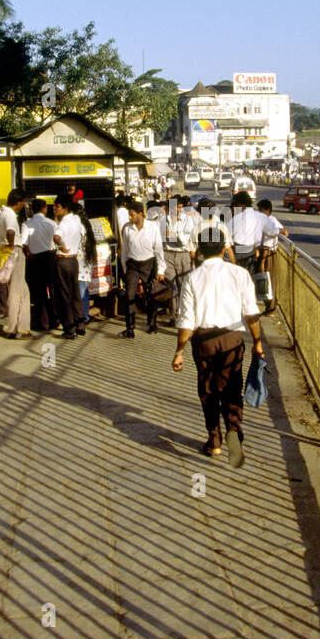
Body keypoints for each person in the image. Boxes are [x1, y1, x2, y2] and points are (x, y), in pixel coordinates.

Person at [171, 222, 264, 467]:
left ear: (200, 250)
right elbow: (251, 314)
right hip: (232, 340)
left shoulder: (192, 278)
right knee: (232, 388)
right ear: (224, 248)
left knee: (208, 389)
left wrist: (179, 351)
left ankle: (214, 442)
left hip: (203, 341)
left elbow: (186, 320)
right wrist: (258, 342)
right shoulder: (239, 274)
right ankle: (234, 431)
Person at [118, 199, 166, 338]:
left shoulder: (152, 227)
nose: (130, 217)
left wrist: (160, 270)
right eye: (129, 214)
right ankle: (130, 328)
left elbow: (158, 250)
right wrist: (124, 269)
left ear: (140, 214)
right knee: (129, 296)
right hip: (132, 265)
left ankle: (151, 324)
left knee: (151, 296)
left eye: (132, 214)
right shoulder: (127, 228)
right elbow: (125, 250)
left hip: (148, 265)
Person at [0, 189, 28, 336]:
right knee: (16, 290)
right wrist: (12, 245)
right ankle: (15, 327)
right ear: (19, 202)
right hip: (14, 252)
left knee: (22, 290)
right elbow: (11, 231)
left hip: (2, 251)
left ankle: (22, 324)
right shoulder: (10, 215)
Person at [51, 194, 85, 339]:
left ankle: (69, 328)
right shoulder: (75, 219)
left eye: (57, 206)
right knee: (75, 293)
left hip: (63, 260)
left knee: (64, 295)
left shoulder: (64, 223)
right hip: (73, 261)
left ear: (64, 208)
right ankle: (80, 324)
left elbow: (56, 236)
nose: (54, 209)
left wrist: (61, 245)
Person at [162, 195, 199, 326]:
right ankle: (174, 316)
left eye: (180, 207)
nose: (179, 210)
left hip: (183, 255)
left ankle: (187, 315)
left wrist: (173, 235)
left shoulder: (187, 219)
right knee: (172, 286)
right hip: (167, 255)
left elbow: (185, 239)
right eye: (176, 207)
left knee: (184, 286)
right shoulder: (163, 220)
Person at [23, 198, 58, 332]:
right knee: (53, 289)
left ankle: (41, 322)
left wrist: (29, 254)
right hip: (50, 256)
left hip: (35, 259)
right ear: (45, 208)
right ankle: (55, 319)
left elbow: (24, 243)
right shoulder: (51, 223)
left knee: (38, 292)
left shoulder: (27, 224)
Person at [257, 198, 285, 314]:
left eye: (261, 210)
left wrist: (262, 261)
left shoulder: (269, 222)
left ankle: (271, 306)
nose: (259, 212)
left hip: (267, 254)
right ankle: (270, 304)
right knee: (267, 280)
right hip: (266, 252)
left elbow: (267, 245)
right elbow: (283, 231)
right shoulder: (268, 220)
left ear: (267, 210)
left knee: (268, 280)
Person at [229, 191, 263, 276]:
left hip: (238, 250)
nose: (235, 208)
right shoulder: (260, 216)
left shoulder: (236, 218)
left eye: (237, 205)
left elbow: (226, 233)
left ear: (242, 205)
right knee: (249, 275)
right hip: (251, 251)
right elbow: (273, 231)